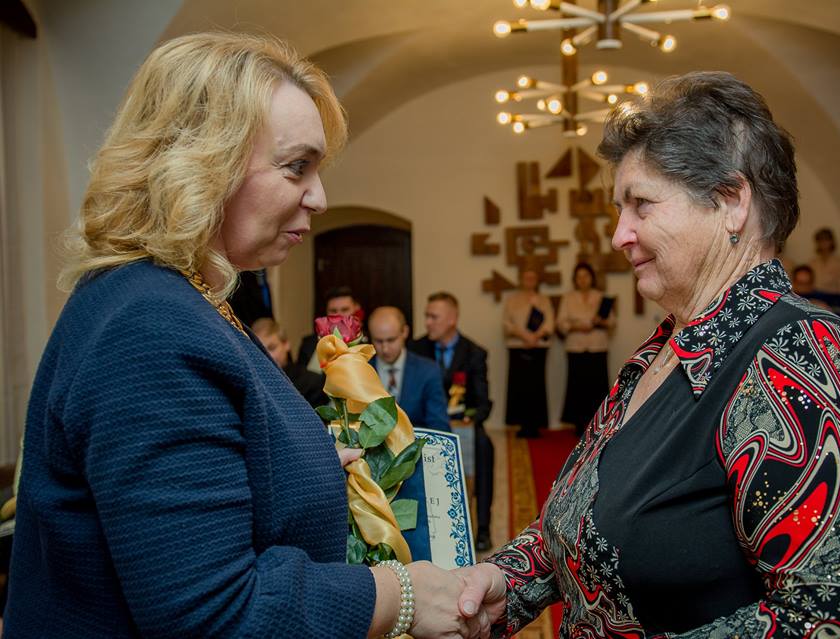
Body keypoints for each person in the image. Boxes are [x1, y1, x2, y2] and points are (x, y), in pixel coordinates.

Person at [4, 32, 489, 639]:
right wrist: (401, 595)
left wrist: (303, 462)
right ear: (203, 163)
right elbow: (216, 612)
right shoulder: (149, 325)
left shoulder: (181, 298)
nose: (320, 196)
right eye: (297, 167)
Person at [456, 71, 840, 636]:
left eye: (641, 204)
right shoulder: (665, 348)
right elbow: (580, 521)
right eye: (619, 209)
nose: (618, 235)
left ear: (731, 201)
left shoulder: (797, 356)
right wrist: (503, 581)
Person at [410, 292, 495, 552]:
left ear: (452, 319)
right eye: (426, 316)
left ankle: (482, 527)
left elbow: (483, 403)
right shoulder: (416, 349)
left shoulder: (474, 353)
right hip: (425, 422)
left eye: (433, 317)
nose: (427, 322)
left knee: (484, 447)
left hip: (462, 425)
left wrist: (467, 419)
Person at [556, 262, 615, 437]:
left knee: (597, 386)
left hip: (597, 347)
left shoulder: (600, 296)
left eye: (586, 276)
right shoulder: (568, 298)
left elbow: (612, 322)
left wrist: (599, 321)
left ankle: (599, 423)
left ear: (592, 278)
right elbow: (561, 323)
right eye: (579, 277)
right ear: (575, 280)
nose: (583, 280)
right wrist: (577, 326)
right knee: (576, 386)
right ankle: (578, 423)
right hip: (576, 348)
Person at [368, 306, 450, 432]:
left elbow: (439, 425)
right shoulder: (362, 369)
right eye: (378, 341)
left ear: (405, 332)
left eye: (391, 340)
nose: (385, 349)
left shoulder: (427, 371)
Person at [502, 268, 555, 438]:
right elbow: (506, 323)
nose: (530, 280)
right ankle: (521, 424)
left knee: (536, 386)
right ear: (520, 279)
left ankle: (535, 424)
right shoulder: (512, 300)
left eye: (533, 277)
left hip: (538, 347)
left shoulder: (544, 300)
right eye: (526, 277)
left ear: (537, 280)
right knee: (519, 386)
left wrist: (535, 336)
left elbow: (549, 323)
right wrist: (523, 335)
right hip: (517, 347)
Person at [251, 317, 328, 407]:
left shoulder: (311, 382)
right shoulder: (252, 385)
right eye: (260, 350)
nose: (267, 356)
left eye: (272, 348)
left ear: (286, 344)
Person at [298, 285, 363, 373]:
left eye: (345, 310)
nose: (339, 316)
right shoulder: (309, 345)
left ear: (356, 309)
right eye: (333, 311)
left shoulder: (369, 342)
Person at [810, 227, 840, 301]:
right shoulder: (812, 263)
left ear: (832, 241)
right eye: (820, 240)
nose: (823, 243)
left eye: (826, 240)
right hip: (815, 300)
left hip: (834, 300)